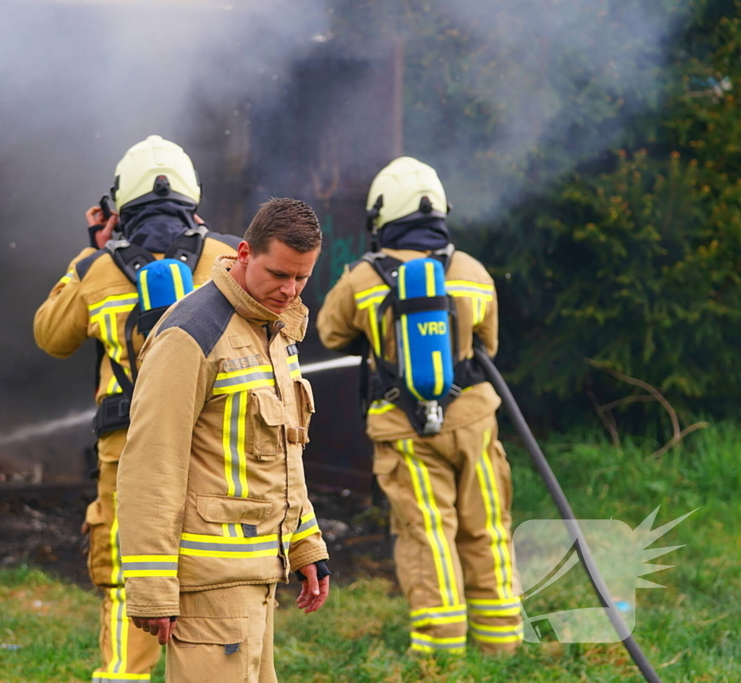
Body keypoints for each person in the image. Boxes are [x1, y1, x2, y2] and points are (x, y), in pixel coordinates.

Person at [34, 135, 242, 682]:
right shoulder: (230, 257)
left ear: (119, 207)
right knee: (214, 568)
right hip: (215, 443)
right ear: (194, 201)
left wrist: (91, 249)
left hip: (128, 448)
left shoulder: (97, 269)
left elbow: (50, 336)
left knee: (132, 572)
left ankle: (125, 674)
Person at [116, 198, 331, 682]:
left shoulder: (273, 330)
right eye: (279, 274)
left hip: (257, 580)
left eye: (301, 277)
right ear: (243, 253)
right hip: (208, 589)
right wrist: (151, 586)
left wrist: (305, 544)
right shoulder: (191, 334)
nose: (290, 290)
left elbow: (282, 457)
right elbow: (151, 465)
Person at [317, 157, 522, 656]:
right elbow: (487, 346)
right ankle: (501, 644)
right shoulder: (472, 272)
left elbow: (329, 332)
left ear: (381, 218)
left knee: (426, 532)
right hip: (473, 420)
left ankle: (439, 647)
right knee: (487, 526)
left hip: (402, 428)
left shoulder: (363, 278)